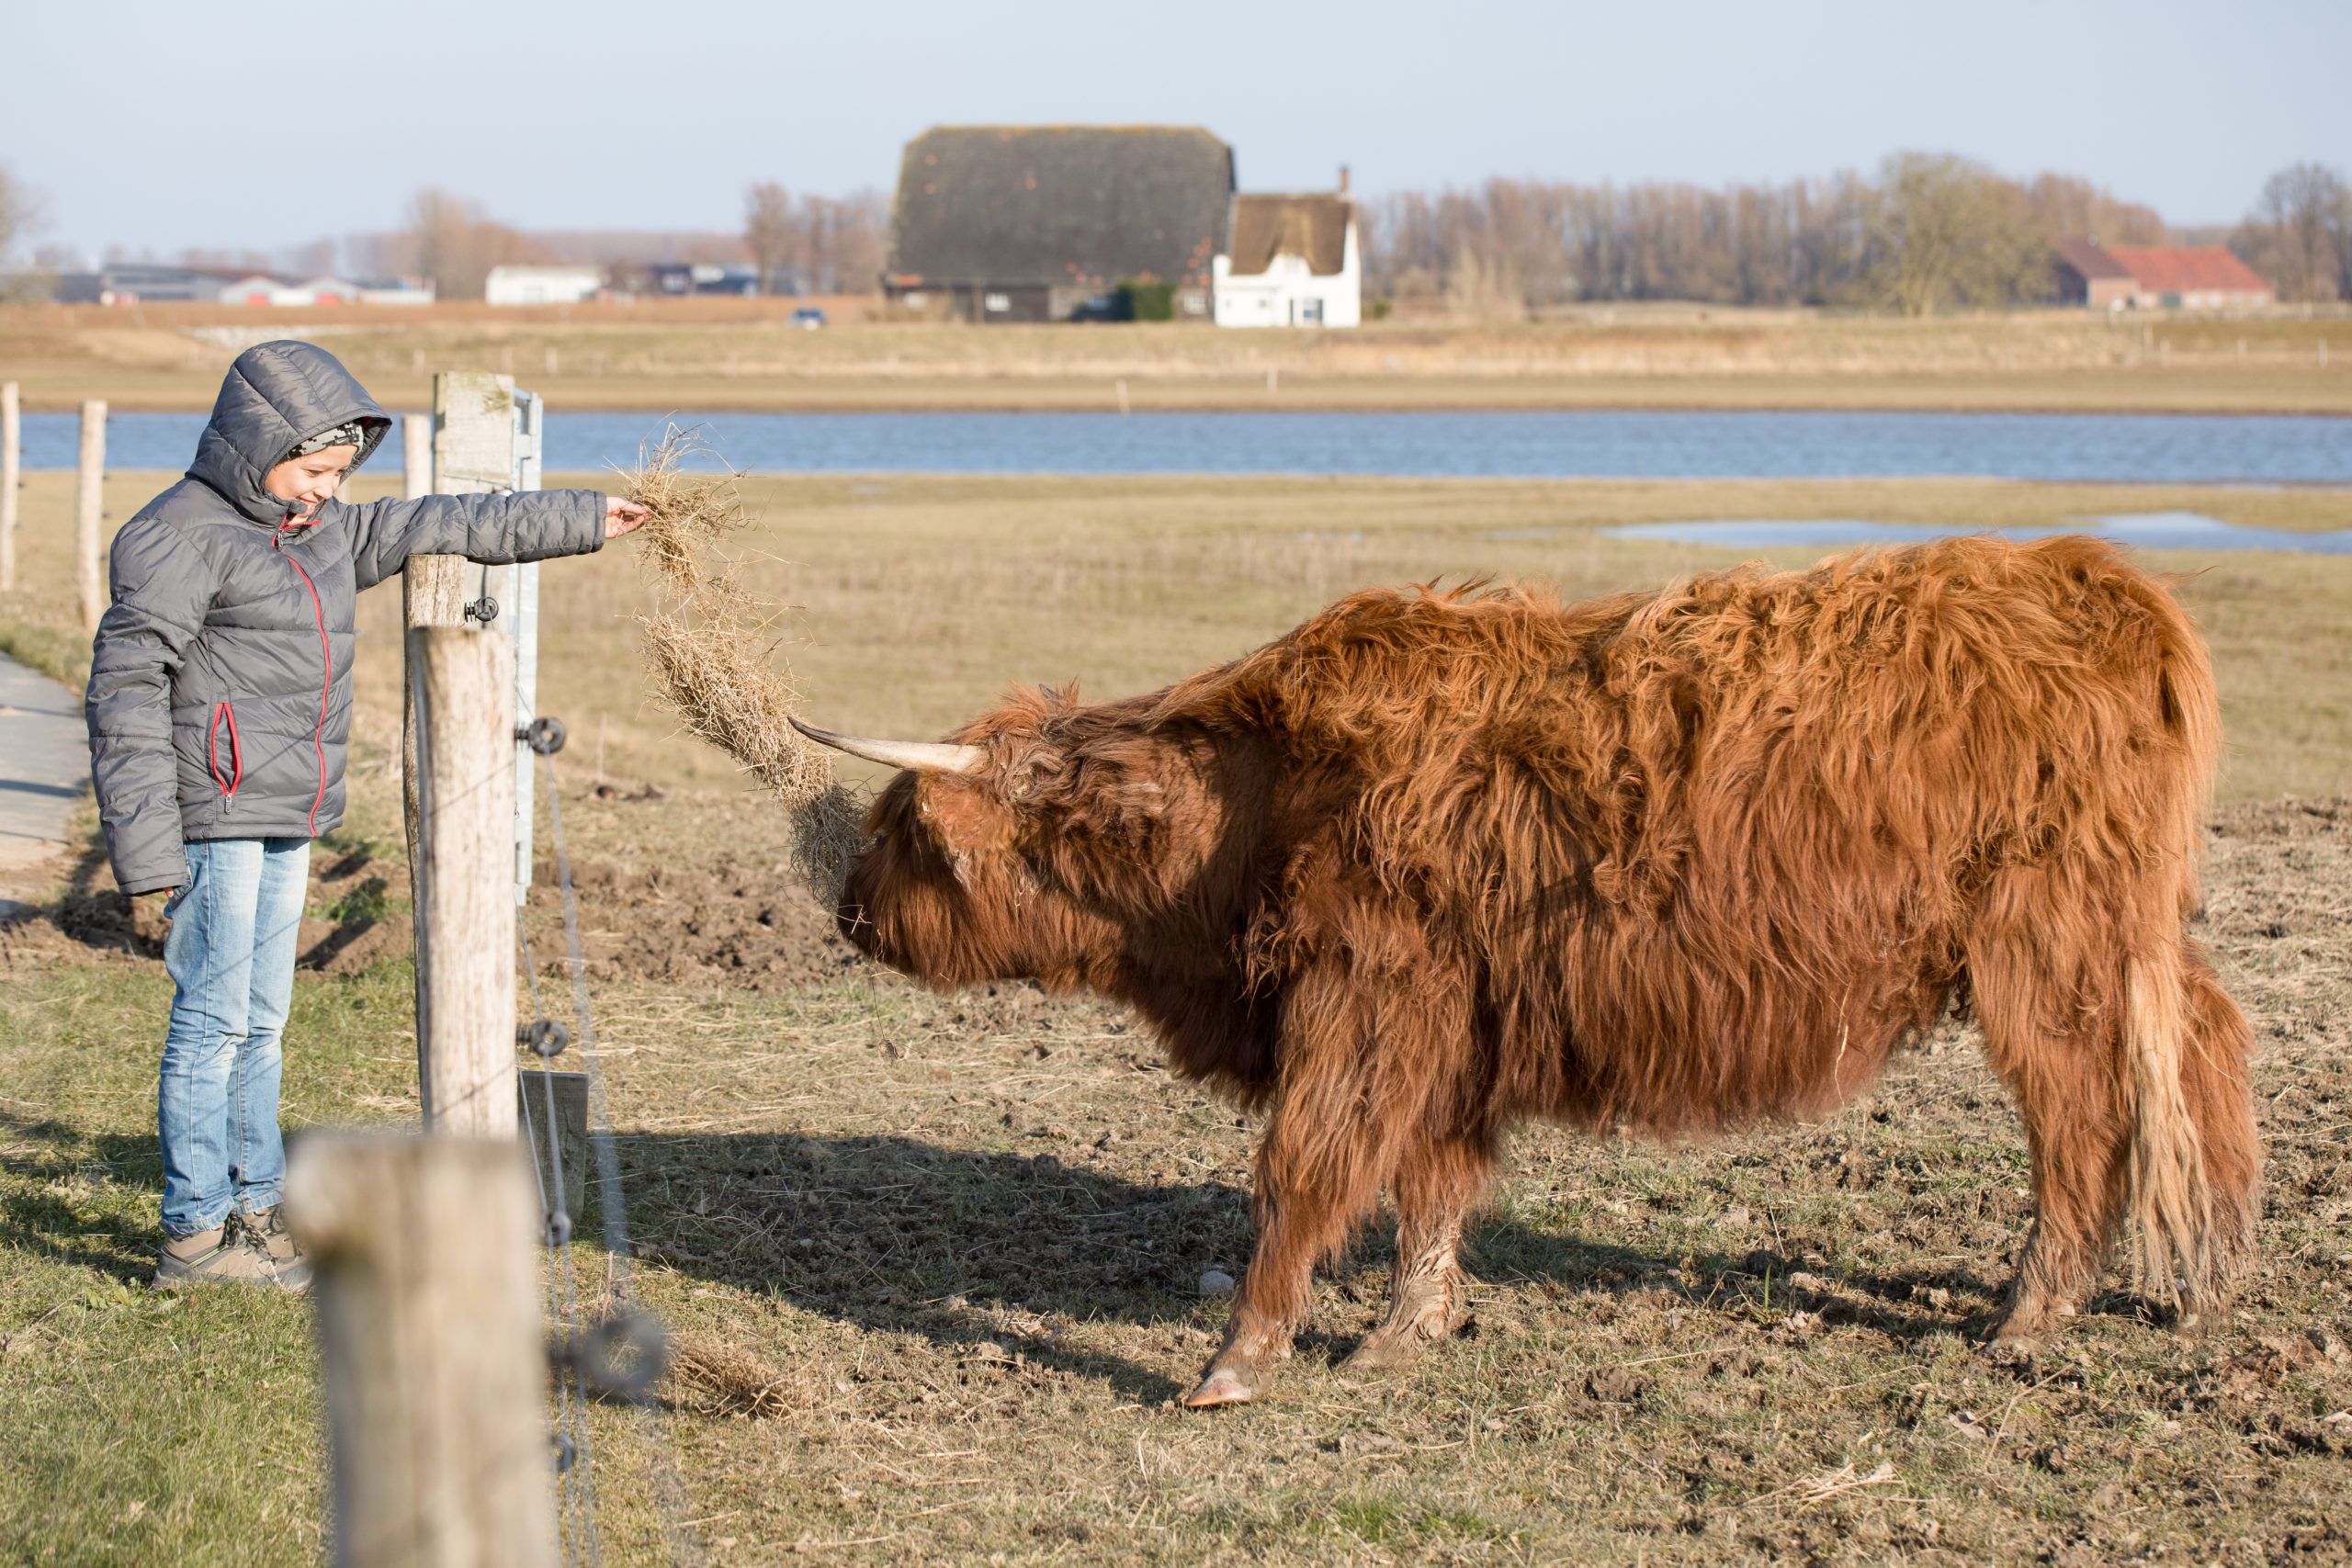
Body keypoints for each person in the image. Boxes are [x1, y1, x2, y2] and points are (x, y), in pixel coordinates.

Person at [85, 341, 647, 1290]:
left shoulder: (323, 534)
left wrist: (587, 516)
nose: (325, 492)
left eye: (340, 477)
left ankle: (257, 1210)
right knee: (211, 1025)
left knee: (262, 1024)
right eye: (313, 471)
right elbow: (126, 691)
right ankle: (193, 1232)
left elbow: (448, 518)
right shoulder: (175, 536)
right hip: (213, 818)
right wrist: (146, 862)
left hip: (288, 815)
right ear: (253, 444)